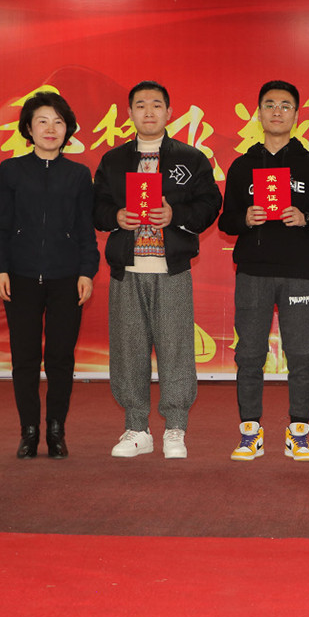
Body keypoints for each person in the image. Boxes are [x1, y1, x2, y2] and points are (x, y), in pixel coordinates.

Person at [93, 81, 222, 460]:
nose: (148, 112)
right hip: (127, 270)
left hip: (172, 270)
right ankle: (137, 428)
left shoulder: (190, 158)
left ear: (169, 112)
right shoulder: (113, 160)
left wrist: (175, 215)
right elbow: (96, 208)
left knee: (175, 348)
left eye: (156, 105)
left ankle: (175, 428)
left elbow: (210, 204)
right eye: (140, 105)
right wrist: (116, 216)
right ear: (129, 113)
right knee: (128, 349)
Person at [218, 80, 309, 462]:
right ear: (259, 113)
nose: (277, 111)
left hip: (298, 273)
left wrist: (306, 218)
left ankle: (298, 433)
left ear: (296, 115)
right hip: (252, 273)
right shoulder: (242, 166)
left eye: (285, 105)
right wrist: (245, 218)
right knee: (249, 354)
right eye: (269, 104)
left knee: (301, 354)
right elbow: (225, 220)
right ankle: (250, 432)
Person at [0, 91, 99, 459]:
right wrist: (0, 268)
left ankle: (55, 430)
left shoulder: (79, 175)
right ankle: (29, 431)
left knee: (60, 358)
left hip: (67, 278)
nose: (50, 129)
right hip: (20, 277)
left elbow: (85, 231)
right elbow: (0, 226)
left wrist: (87, 272)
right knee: (24, 359)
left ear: (67, 130)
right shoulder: (11, 171)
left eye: (58, 122)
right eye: (42, 121)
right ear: (29, 128)